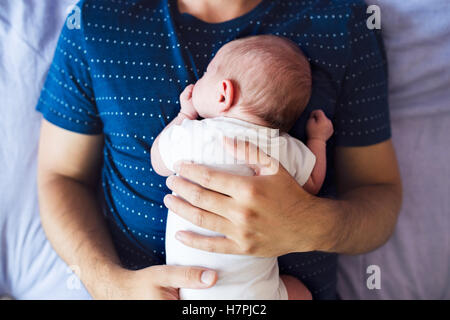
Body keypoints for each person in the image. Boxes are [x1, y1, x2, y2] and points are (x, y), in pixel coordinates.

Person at [36, 0, 402, 299]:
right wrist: (108, 285)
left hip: (190, 289)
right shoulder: (96, 20)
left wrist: (308, 225)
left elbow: (379, 194)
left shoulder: (341, 19)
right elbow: (61, 176)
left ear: (223, 92)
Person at [152, 35, 333, 299]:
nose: (198, 81)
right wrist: (318, 139)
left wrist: (184, 115)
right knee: (301, 292)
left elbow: (158, 162)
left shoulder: (193, 135)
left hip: (193, 290)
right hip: (258, 294)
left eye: (205, 75)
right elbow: (313, 183)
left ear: (224, 93)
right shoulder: (283, 148)